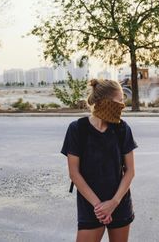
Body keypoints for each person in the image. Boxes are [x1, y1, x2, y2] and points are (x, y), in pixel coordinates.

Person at [61, 78, 138, 242]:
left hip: (119, 203)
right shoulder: (77, 129)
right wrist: (99, 207)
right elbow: (74, 173)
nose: (123, 105)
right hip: (90, 206)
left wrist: (113, 203)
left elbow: (130, 171)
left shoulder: (122, 129)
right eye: (120, 100)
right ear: (105, 101)